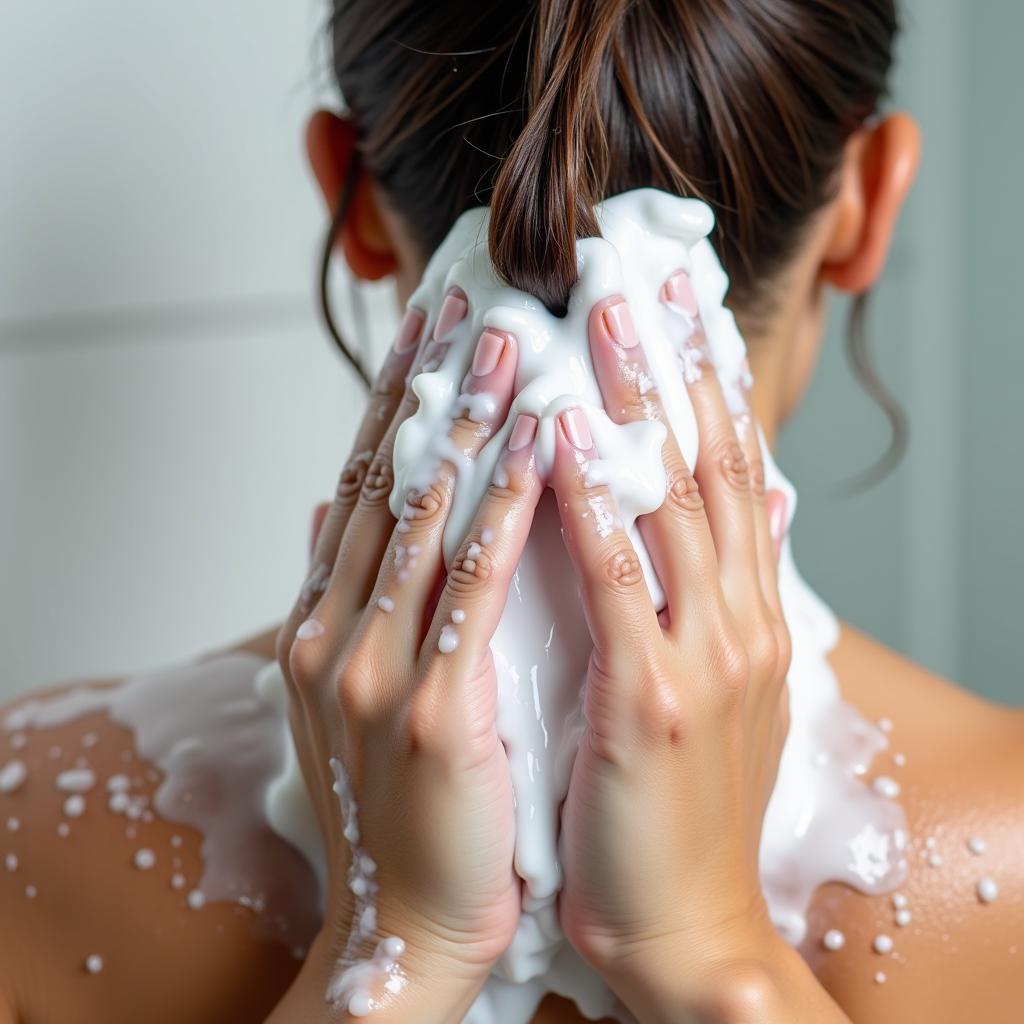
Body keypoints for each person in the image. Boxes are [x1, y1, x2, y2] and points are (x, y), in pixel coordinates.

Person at [1, 2, 1022, 1022]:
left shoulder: (28, 826)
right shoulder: (998, 866)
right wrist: (710, 964)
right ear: (871, 201)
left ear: (345, 193)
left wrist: (392, 960)